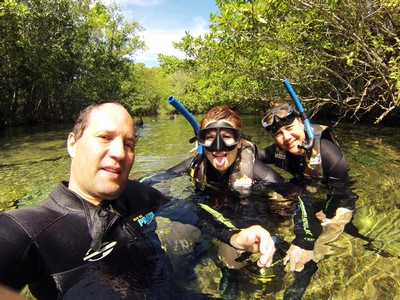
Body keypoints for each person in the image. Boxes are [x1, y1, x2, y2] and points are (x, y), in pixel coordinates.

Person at [0, 103, 276, 300]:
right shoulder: (27, 229)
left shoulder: (137, 195)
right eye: (105, 138)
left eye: (129, 144)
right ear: (73, 143)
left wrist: (235, 235)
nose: (119, 152)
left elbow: (189, 210)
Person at [142, 106, 322, 275]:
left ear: (239, 142)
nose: (218, 147)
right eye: (210, 138)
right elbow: (155, 179)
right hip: (205, 215)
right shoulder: (196, 164)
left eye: (227, 137)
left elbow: (299, 196)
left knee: (230, 261)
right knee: (175, 244)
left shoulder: (256, 170)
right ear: (201, 141)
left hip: (244, 215)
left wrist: (304, 239)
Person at [259, 103, 358, 299]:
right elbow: (251, 155)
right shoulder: (278, 150)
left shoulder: (328, 152)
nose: (286, 137)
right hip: (304, 193)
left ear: (302, 123)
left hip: (337, 199)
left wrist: (323, 217)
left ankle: (307, 266)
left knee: (328, 232)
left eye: (289, 128)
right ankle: (280, 252)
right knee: (274, 201)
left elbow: (339, 194)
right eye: (279, 134)